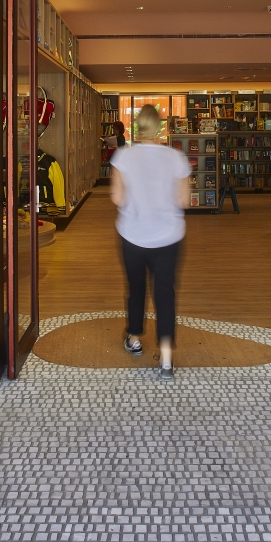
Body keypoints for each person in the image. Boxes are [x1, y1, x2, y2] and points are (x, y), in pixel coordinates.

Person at [110, 104, 189, 381]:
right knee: (165, 293)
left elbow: (118, 199)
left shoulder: (123, 156)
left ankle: (134, 338)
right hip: (168, 237)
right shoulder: (176, 157)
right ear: (160, 127)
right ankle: (166, 358)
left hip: (133, 235)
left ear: (136, 127)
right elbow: (184, 201)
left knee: (136, 288)